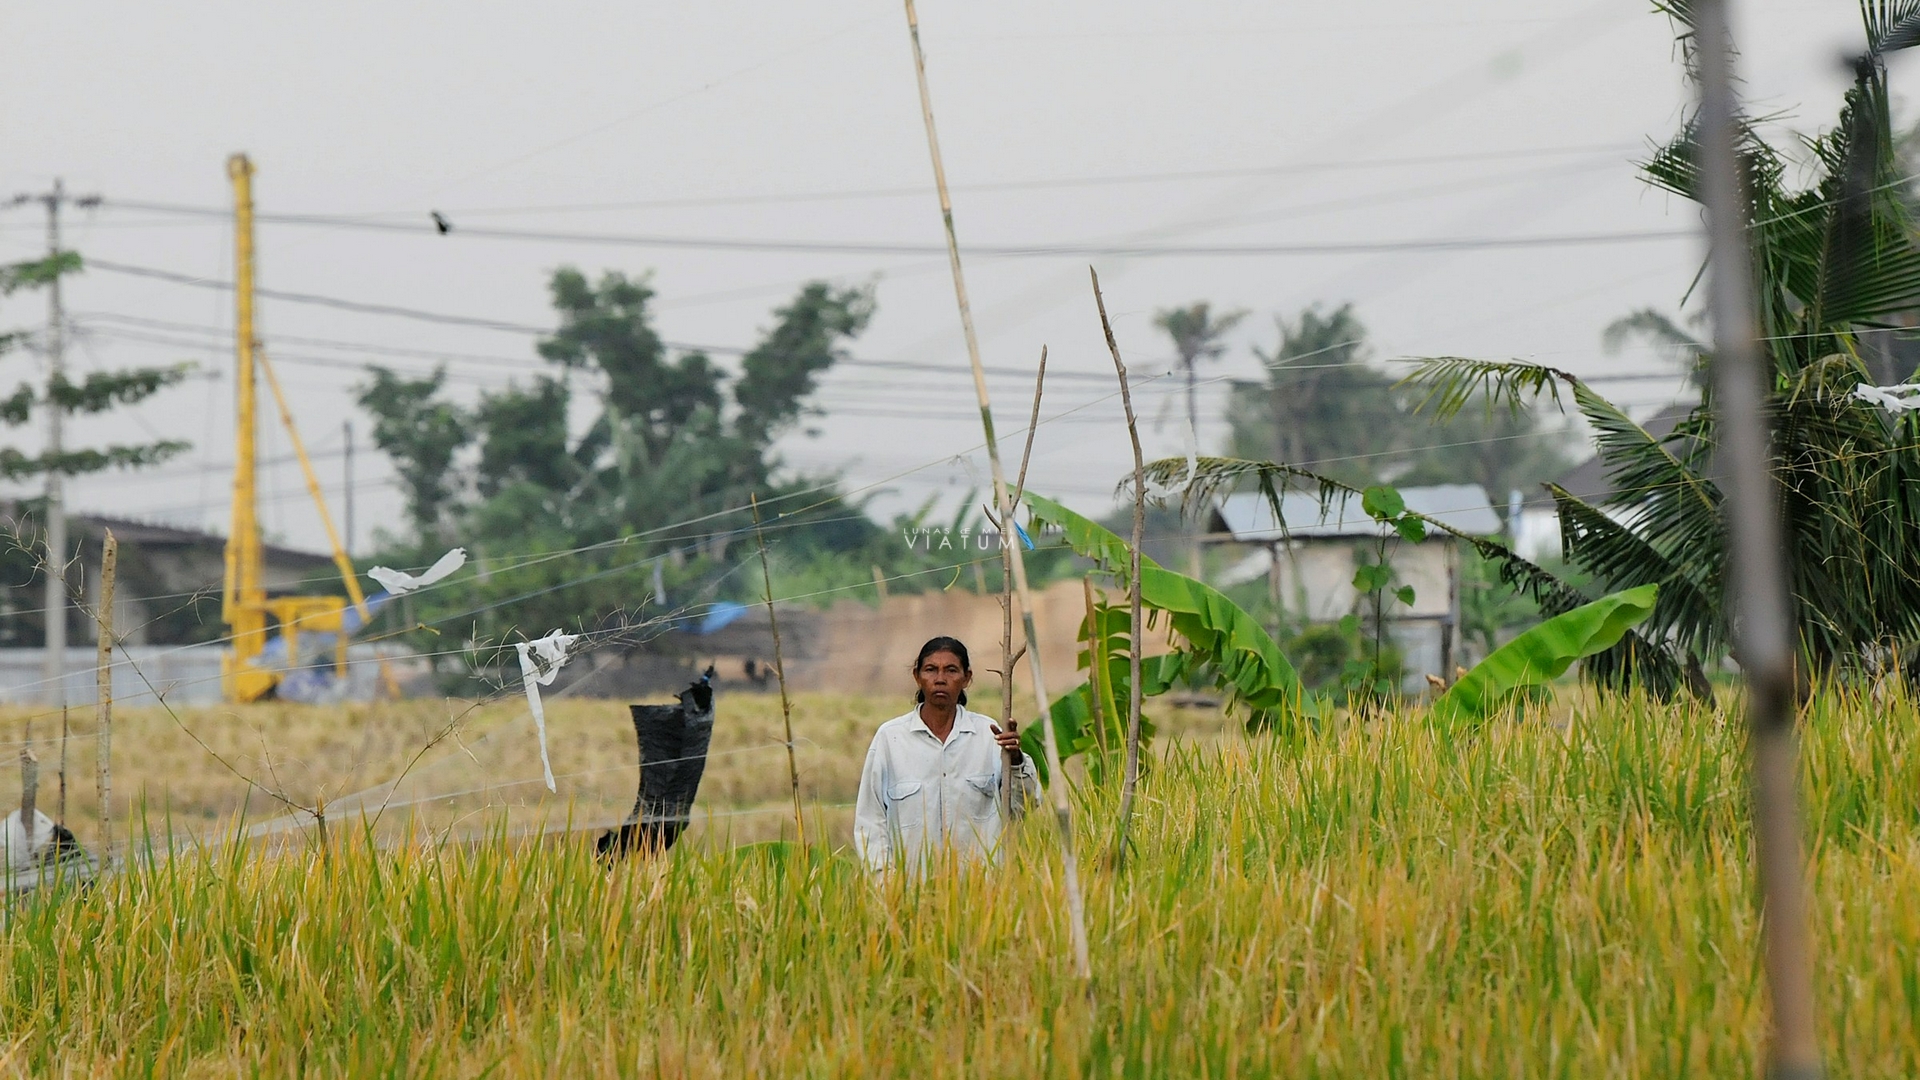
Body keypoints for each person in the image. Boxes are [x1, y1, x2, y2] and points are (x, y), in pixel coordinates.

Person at [853, 636, 1037, 873]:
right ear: (917, 676)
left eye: (951, 670)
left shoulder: (988, 736)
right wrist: (885, 884)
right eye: (931, 670)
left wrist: (1015, 761)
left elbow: (1024, 807)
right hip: (910, 894)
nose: (940, 679)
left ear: (966, 678)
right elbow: (870, 822)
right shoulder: (890, 739)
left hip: (981, 894)